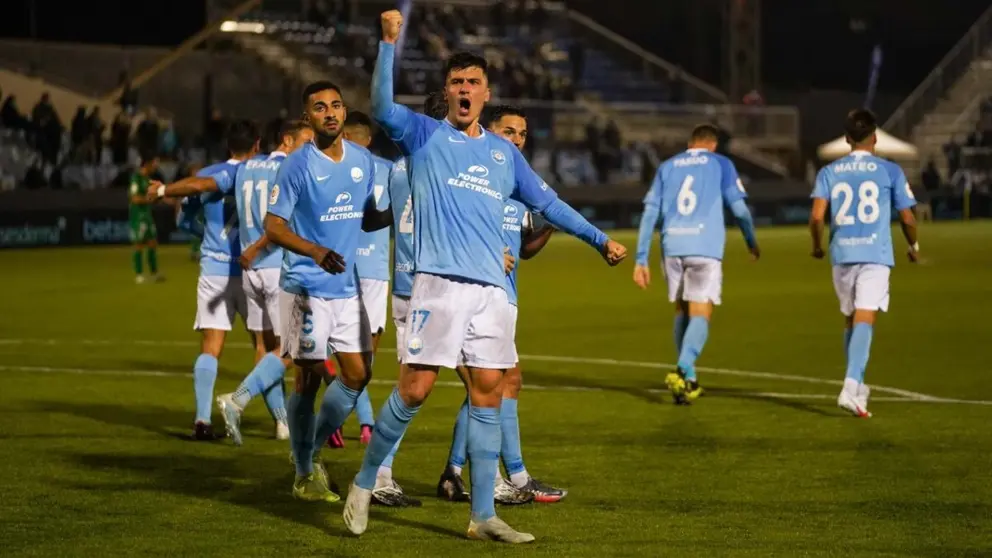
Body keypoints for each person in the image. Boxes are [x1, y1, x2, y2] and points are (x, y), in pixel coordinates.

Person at [343, 10, 627, 543]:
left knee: (489, 394)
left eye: (473, 81)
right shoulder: (423, 135)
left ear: (486, 91)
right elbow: (381, 107)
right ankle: (363, 481)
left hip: (492, 291)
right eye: (457, 82)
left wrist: (599, 240)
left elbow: (550, 202)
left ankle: (481, 516)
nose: (465, 89)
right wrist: (387, 44)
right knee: (416, 389)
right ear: (447, 93)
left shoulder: (502, 153)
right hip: (439, 284)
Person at [262, 81, 386, 502]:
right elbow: (273, 226)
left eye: (335, 105)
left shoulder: (363, 160)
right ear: (308, 118)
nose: (330, 113)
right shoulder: (297, 165)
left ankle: (311, 452)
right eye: (320, 107)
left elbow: (366, 218)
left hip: (346, 288)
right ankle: (302, 473)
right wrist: (315, 250)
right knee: (306, 382)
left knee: (357, 375)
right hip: (306, 286)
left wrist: (402, 211)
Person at [439, 105, 563, 505]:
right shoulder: (473, 180)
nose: (516, 139)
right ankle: (514, 476)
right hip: (469, 297)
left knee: (488, 386)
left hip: (501, 300)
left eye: (522, 134)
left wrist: (549, 228)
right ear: (487, 132)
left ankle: (453, 473)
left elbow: (524, 250)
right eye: (508, 131)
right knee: (500, 383)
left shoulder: (515, 187)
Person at [149, 120, 261, 439]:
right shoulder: (264, 173)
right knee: (267, 350)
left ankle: (202, 419)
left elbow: (185, 218)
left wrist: (205, 235)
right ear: (256, 144)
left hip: (215, 268)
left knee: (211, 346)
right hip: (255, 269)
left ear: (228, 147)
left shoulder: (208, 174)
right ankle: (281, 422)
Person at [633, 124, 760, 404]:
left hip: (673, 246)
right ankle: (682, 370)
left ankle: (689, 380)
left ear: (690, 143)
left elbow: (649, 213)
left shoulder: (667, 166)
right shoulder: (721, 163)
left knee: (682, 310)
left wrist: (641, 258)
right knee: (701, 312)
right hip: (705, 247)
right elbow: (739, 209)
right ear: (712, 145)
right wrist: (751, 240)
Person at [809, 109, 918, 418]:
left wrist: (817, 247)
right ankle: (850, 385)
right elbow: (907, 216)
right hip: (874, 254)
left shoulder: (829, 172)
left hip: (841, 254)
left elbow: (817, 216)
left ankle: (857, 390)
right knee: (865, 318)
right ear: (875, 136)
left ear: (846, 139)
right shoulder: (889, 170)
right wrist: (914, 245)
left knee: (851, 319)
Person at [214, 119, 315, 446]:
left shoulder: (247, 167)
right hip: (276, 267)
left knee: (265, 347)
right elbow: (283, 224)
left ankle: (282, 423)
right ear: (288, 140)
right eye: (306, 140)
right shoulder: (288, 169)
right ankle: (239, 398)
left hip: (250, 270)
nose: (311, 147)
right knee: (293, 346)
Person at [128, 153, 163, 284]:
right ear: (147, 163)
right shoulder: (136, 178)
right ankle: (139, 274)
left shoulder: (148, 179)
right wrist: (150, 199)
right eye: (154, 162)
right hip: (138, 216)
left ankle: (154, 273)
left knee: (153, 242)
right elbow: (134, 198)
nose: (156, 165)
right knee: (138, 244)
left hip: (147, 215)